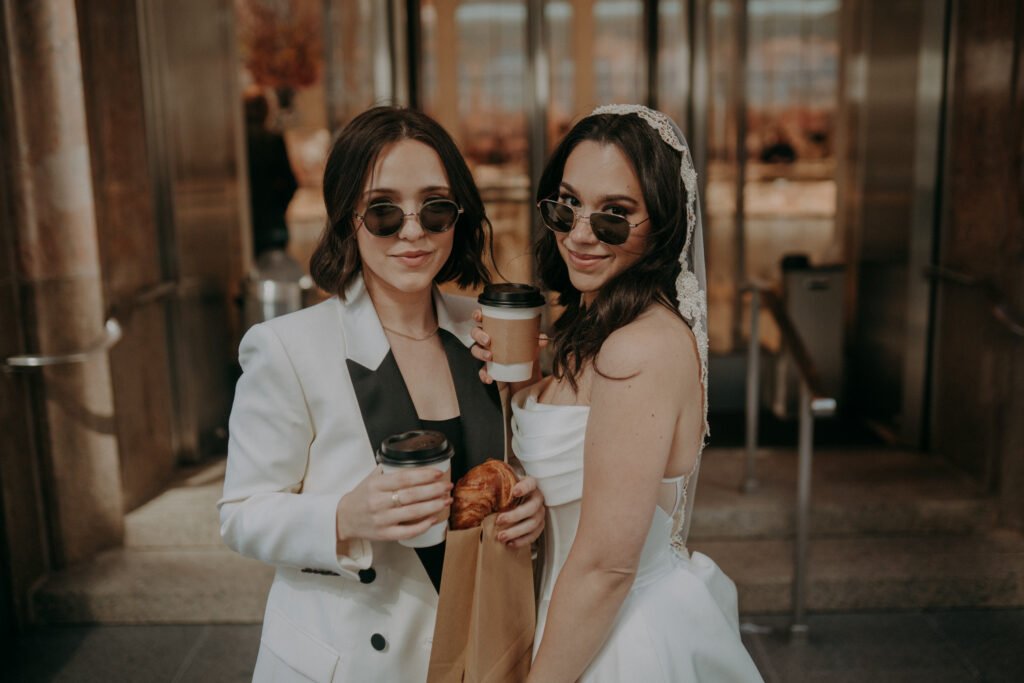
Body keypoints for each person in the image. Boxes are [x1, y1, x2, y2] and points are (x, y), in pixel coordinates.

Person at [218, 106, 545, 683]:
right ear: (349, 218)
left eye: (436, 207)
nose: (413, 230)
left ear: (458, 216)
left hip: (480, 643)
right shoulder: (286, 347)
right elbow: (241, 516)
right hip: (349, 661)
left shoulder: (488, 331)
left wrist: (531, 504)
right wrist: (344, 515)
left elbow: (512, 466)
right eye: (385, 211)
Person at [473, 105, 763, 682]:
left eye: (614, 215)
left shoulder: (639, 349)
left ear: (661, 223)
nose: (580, 233)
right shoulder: (595, 330)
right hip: (574, 618)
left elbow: (607, 566)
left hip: (620, 638)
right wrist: (523, 384)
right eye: (566, 204)